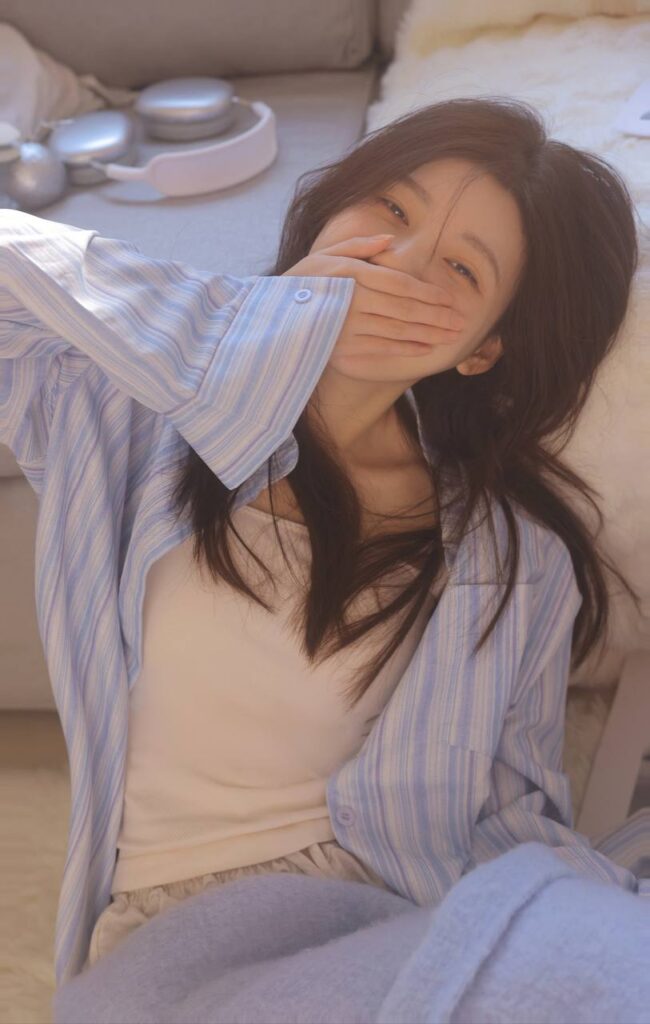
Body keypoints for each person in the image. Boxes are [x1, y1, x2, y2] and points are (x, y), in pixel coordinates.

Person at [0, 96, 647, 991]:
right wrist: (265, 324)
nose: (397, 264)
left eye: (460, 268)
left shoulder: (513, 554)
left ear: (480, 350)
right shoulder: (137, 403)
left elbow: (513, 816)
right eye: (391, 208)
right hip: (179, 945)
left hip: (398, 920)